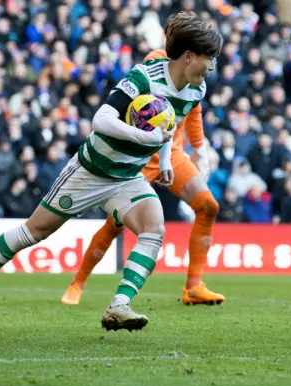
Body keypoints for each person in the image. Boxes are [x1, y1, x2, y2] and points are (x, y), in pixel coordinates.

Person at [0, 10, 220, 333]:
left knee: (154, 228)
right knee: (34, 232)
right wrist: (142, 136)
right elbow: (101, 120)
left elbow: (167, 124)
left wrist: (163, 161)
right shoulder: (144, 77)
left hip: (127, 177)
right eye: (209, 59)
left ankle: (119, 305)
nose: (212, 67)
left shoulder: (195, 90)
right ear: (188, 56)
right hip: (91, 170)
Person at [61, 15, 225, 307]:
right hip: (137, 153)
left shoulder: (196, 76)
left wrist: (200, 148)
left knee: (208, 206)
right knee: (116, 225)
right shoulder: (156, 63)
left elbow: (192, 108)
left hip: (170, 152)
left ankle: (194, 286)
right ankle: (78, 282)